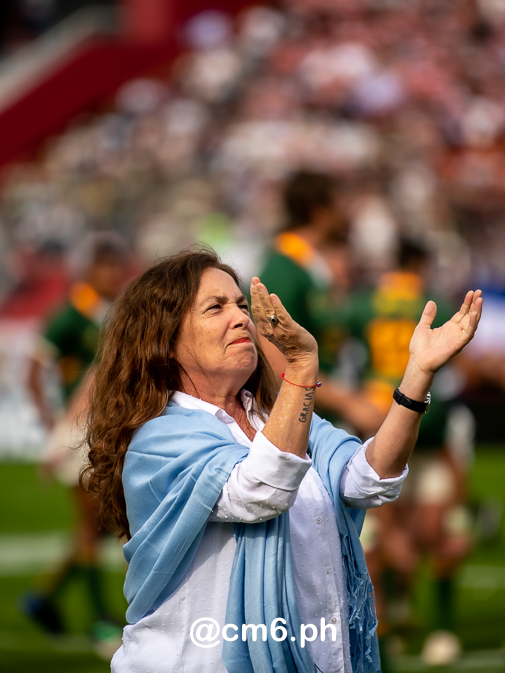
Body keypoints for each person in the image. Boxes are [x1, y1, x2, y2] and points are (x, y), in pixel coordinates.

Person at [83, 247, 482, 672]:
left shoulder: (277, 417)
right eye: (215, 308)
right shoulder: (159, 437)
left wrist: (418, 373)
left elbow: (370, 477)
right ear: (164, 339)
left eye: (240, 305)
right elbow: (261, 489)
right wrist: (302, 365)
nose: (240, 318)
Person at [345, 238, 473, 667]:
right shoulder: (431, 300)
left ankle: (399, 620)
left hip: (377, 421)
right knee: (426, 535)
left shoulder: (363, 304)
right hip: (423, 424)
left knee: (381, 538)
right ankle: (416, 623)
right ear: (420, 264)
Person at [19, 235, 129, 646]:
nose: (114, 276)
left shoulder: (115, 314)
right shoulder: (70, 315)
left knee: (100, 526)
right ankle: (100, 616)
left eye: (117, 269)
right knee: (93, 523)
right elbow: (33, 368)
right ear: (92, 271)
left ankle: (42, 597)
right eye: (107, 268)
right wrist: (53, 421)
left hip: (109, 426)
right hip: (80, 429)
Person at [258, 170, 385, 436]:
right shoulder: (283, 269)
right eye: (339, 204)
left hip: (326, 412)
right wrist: (348, 403)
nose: (347, 212)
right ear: (320, 212)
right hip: (307, 423)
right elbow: (275, 360)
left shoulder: (311, 263)